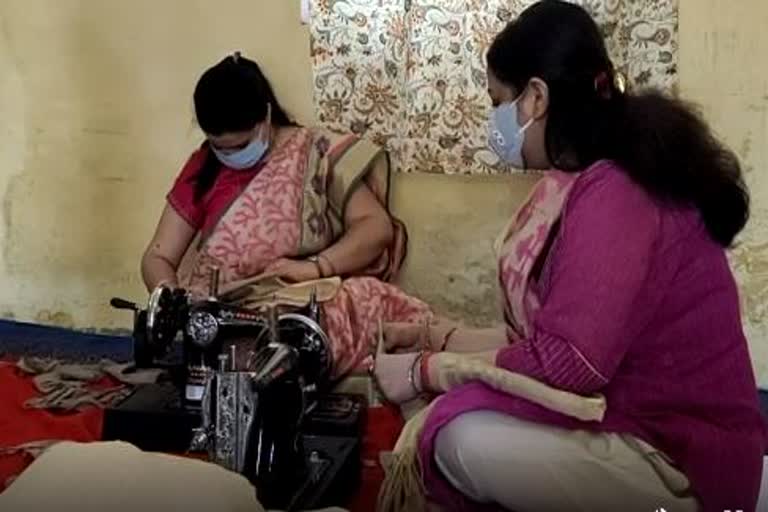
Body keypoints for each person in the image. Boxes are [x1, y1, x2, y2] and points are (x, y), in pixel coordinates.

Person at [373, 2, 767, 511]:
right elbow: (546, 337)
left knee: (457, 435)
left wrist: (425, 371)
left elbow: (567, 363)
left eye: (498, 101)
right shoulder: (589, 176)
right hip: (639, 410)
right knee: (466, 410)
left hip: (678, 453)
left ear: (536, 96)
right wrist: (433, 335)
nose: (494, 123)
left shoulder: (617, 190)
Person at [141, 52, 430, 379]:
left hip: (302, 297)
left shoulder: (315, 155)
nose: (231, 157)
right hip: (226, 309)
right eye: (222, 148)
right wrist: (170, 298)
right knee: (224, 342)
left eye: (241, 145)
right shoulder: (203, 166)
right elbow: (157, 256)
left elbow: (375, 229)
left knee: (358, 306)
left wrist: (314, 268)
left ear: (265, 117)